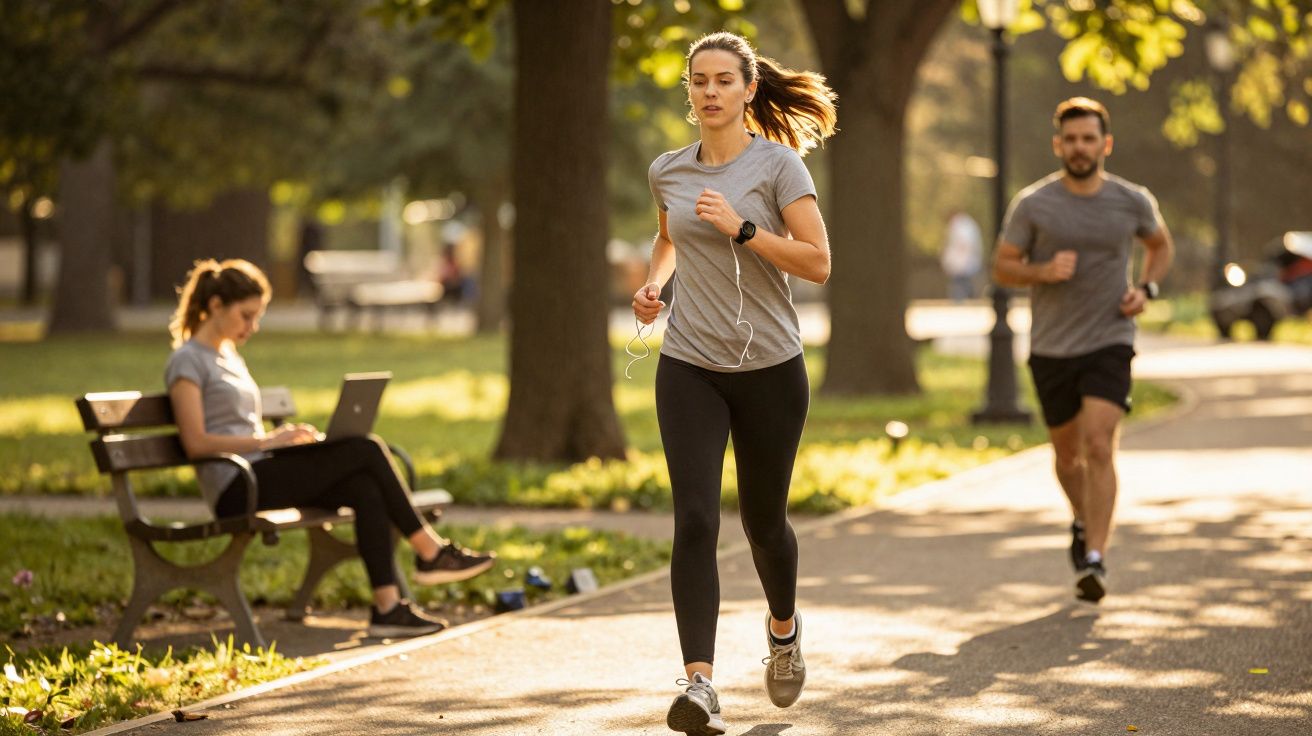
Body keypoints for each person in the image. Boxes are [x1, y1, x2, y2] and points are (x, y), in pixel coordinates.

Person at [633, 31, 836, 736]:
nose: (710, 92)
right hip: (689, 362)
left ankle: (783, 631)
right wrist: (654, 286)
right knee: (694, 519)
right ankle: (700, 684)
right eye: (699, 81)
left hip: (771, 369)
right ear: (688, 91)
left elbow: (817, 263)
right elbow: (668, 235)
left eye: (724, 80)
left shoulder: (779, 167)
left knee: (764, 525)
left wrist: (746, 230)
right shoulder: (668, 170)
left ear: (750, 89)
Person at [164, 258, 495, 638]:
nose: (252, 327)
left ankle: (387, 608)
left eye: (257, 317)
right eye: (246, 316)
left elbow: (240, 425)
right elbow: (196, 443)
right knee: (365, 449)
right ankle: (430, 552)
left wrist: (287, 438)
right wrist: (268, 441)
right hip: (235, 486)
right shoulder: (187, 360)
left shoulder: (229, 356)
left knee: (364, 488)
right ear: (216, 305)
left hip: (260, 469)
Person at [992, 98, 1174, 604]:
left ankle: (1095, 557)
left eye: (1088, 138)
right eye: (1070, 139)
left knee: (1099, 444)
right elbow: (1003, 266)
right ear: (1058, 145)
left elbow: (1161, 246)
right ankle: (1080, 517)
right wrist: (1041, 271)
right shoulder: (1034, 204)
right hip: (1052, 347)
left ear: (1105, 144)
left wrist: (1147, 290)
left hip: (1110, 339)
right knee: (1067, 456)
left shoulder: (1131, 200)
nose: (1079, 147)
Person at [941, 210, 983, 301]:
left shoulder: (961, 226)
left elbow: (963, 244)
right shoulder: (966, 225)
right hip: (964, 264)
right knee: (963, 286)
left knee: (960, 288)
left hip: (962, 264)